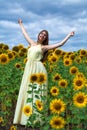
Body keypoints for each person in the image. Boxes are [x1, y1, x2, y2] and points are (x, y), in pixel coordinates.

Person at [13, 19, 75, 126]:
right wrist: (21, 24)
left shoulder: (44, 48)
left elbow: (60, 44)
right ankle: (24, 119)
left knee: (36, 93)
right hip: (29, 69)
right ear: (38, 35)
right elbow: (24, 33)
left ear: (46, 38)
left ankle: (36, 120)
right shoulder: (32, 43)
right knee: (27, 91)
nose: (42, 35)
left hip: (38, 71)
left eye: (45, 35)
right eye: (42, 33)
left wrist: (68, 35)